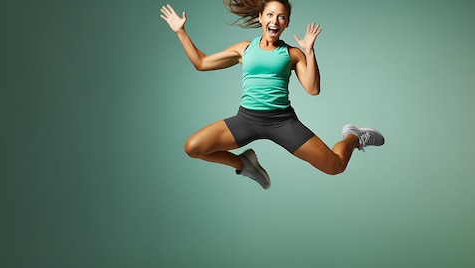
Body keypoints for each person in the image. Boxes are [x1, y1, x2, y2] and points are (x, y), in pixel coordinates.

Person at [160, 0, 384, 189]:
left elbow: (313, 89)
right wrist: (180, 31)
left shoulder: (292, 53)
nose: (275, 21)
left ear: (286, 24)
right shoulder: (244, 49)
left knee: (335, 166)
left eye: (282, 17)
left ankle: (353, 137)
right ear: (260, 18)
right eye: (270, 15)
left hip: (282, 122)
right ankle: (244, 164)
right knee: (193, 147)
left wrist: (309, 51)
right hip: (246, 120)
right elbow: (201, 63)